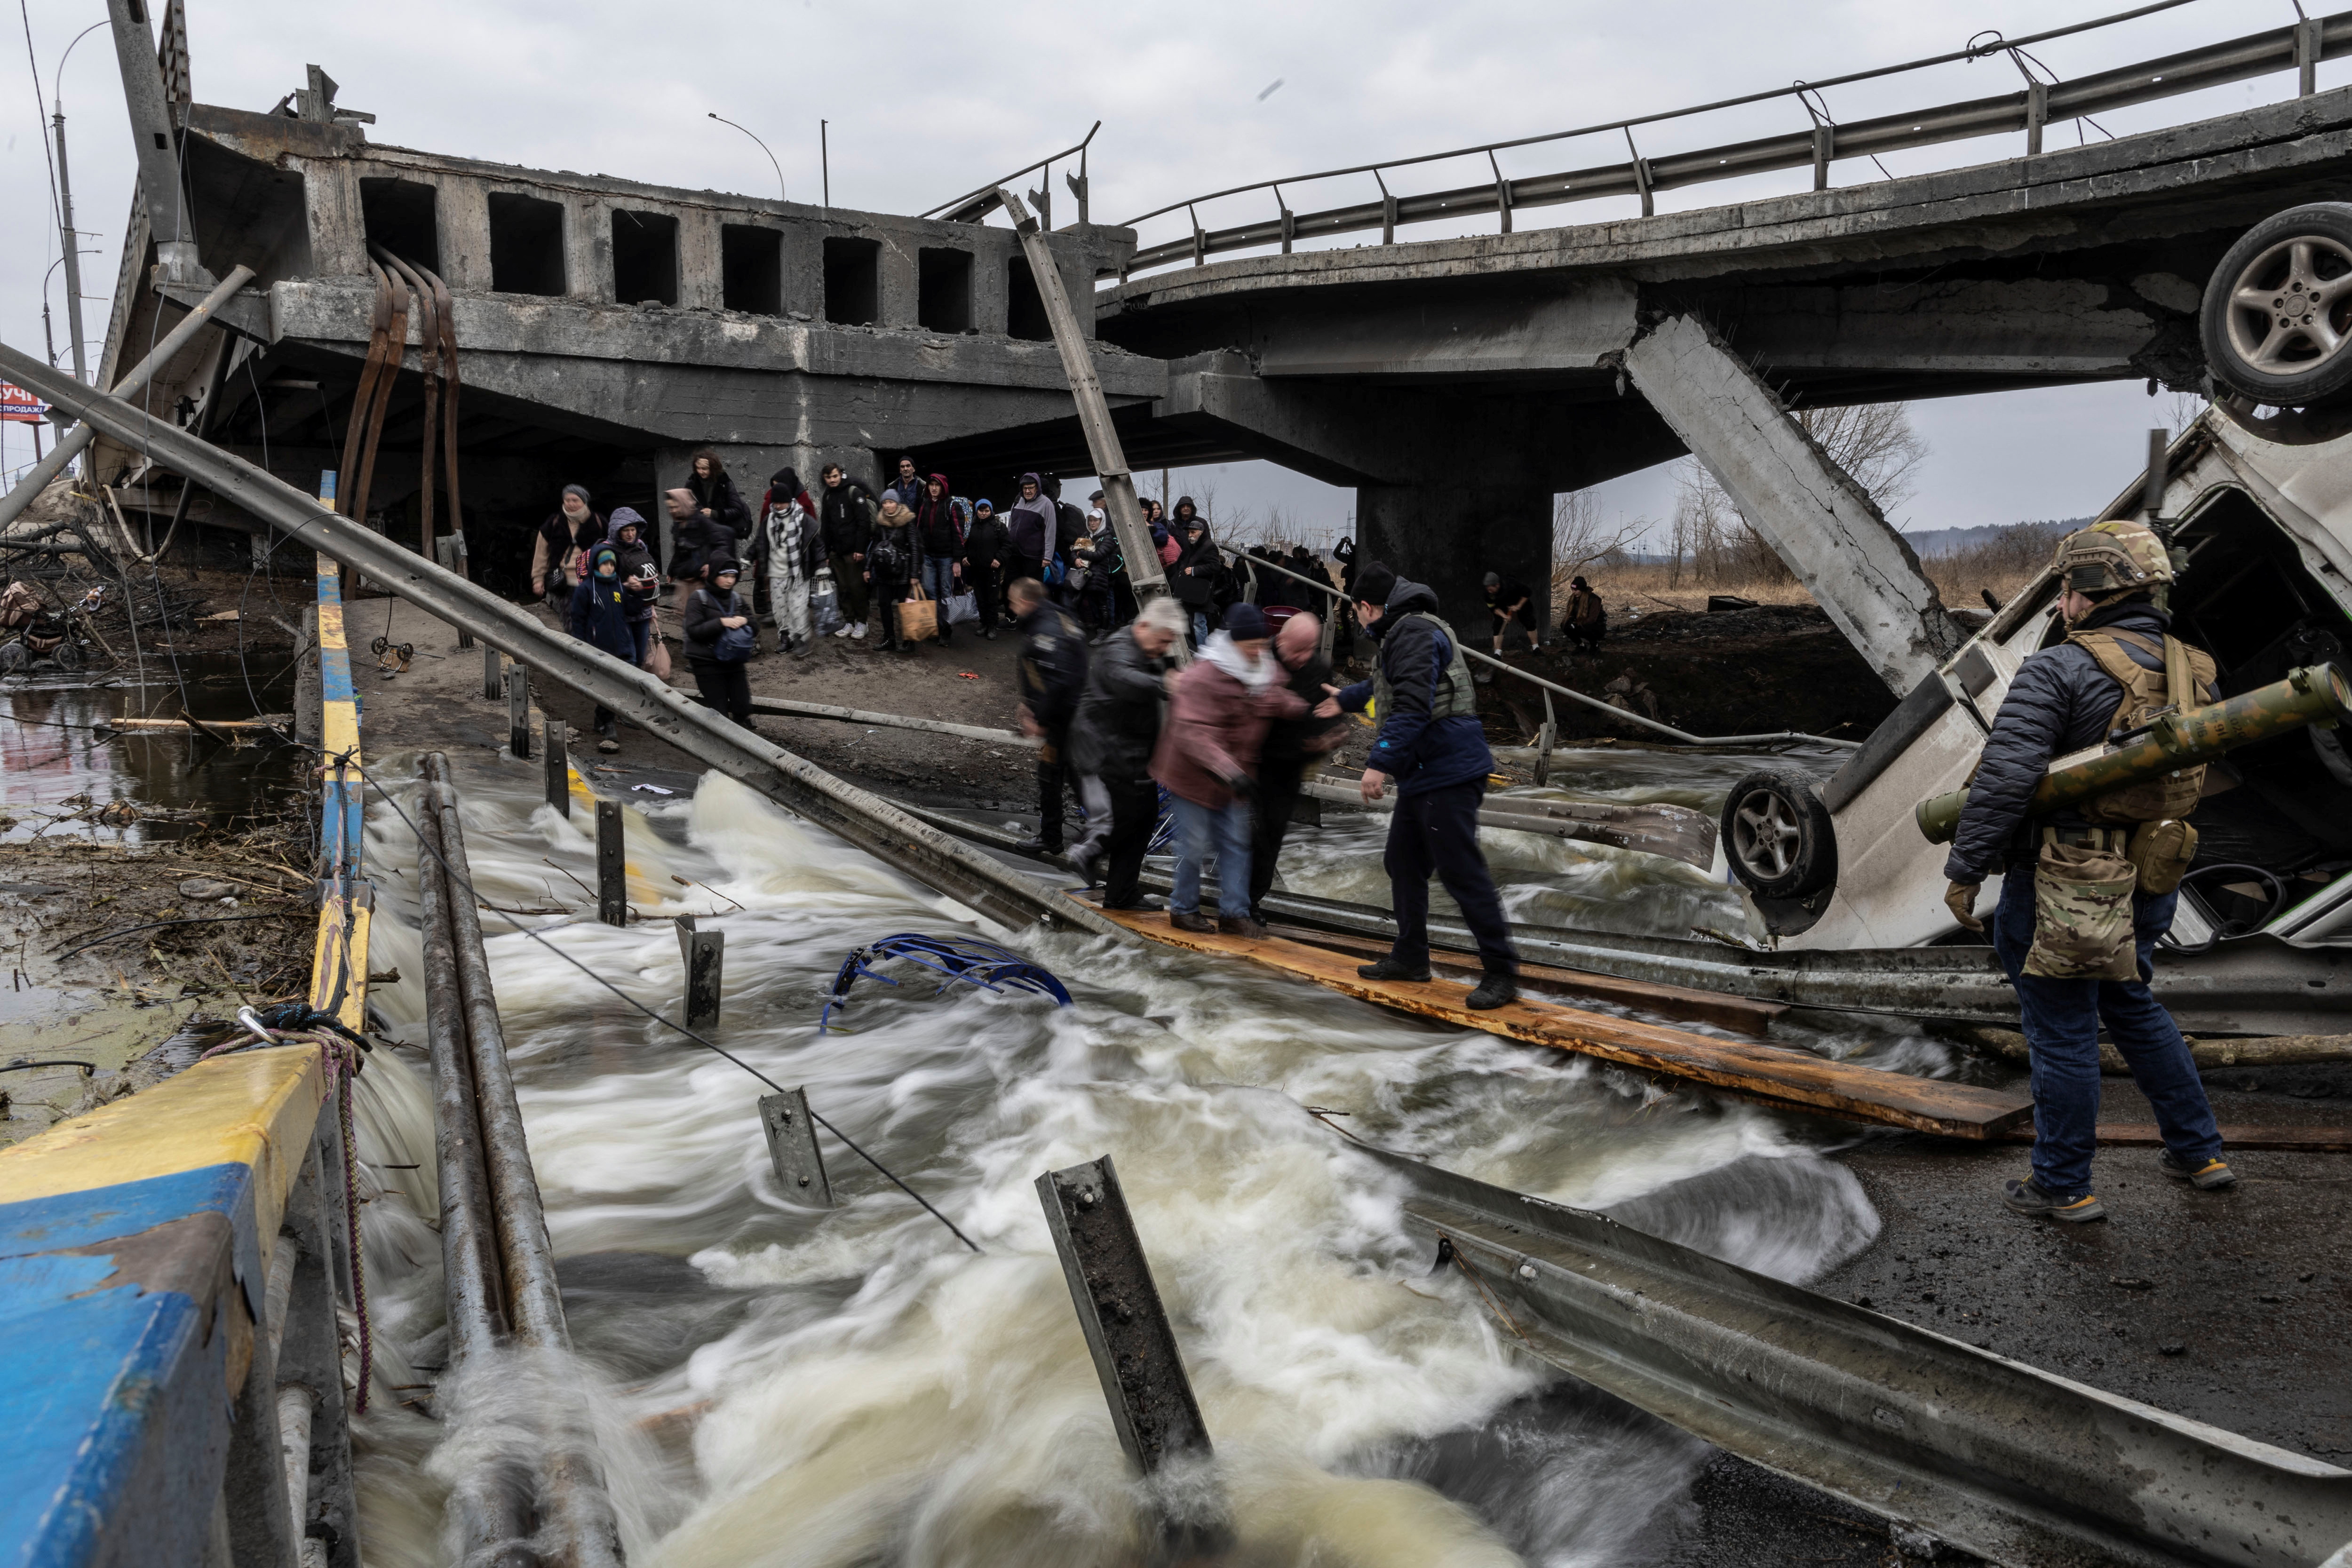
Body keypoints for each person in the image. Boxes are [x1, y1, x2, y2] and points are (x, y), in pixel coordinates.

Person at [1943, 521, 2232, 1223]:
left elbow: (2006, 780)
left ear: (2092, 592)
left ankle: (2062, 1185)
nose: (2062, 601)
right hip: (2151, 871)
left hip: (2064, 879)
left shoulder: (2060, 668)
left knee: (2061, 1027)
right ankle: (2202, 1154)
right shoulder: (2196, 666)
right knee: (2133, 1004)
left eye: (2068, 587)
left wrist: (1966, 867)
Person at [1335, 562, 1519, 1008]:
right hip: (1426, 771)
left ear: (1365, 606)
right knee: (1402, 861)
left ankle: (1501, 971)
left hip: (1449, 770)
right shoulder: (1404, 630)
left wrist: (1377, 763)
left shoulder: (1412, 633)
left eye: (1355, 612)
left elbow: (1414, 706)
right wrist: (1341, 699)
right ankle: (1412, 956)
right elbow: (1389, 685)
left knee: (1461, 871)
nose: (1357, 620)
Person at [1153, 603, 1316, 937]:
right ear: (1235, 643)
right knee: (1194, 844)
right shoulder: (1205, 676)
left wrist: (1304, 709)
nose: (1258, 650)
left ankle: (1234, 913)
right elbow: (1191, 732)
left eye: (1261, 644)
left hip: (1233, 779)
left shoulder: (1262, 670)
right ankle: (1183, 909)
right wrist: (1230, 770)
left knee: (1236, 843)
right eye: (1250, 645)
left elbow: (1272, 699)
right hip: (1193, 777)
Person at [1067, 597, 1185, 907]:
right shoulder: (1117, 648)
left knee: (1145, 817)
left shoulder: (1149, 648)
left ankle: (1121, 893)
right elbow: (1125, 679)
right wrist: (1165, 683)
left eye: (1168, 643)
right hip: (1107, 748)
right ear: (1144, 626)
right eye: (1162, 641)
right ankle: (1087, 848)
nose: (1163, 649)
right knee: (1129, 816)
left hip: (1134, 749)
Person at [1250, 610, 1348, 922]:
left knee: (1271, 837)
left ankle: (1251, 903)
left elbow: (1331, 713)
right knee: (1244, 836)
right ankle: (1233, 902)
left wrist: (1329, 738)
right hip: (1252, 764)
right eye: (1297, 651)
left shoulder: (1317, 669)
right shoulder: (1260, 658)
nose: (1304, 658)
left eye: (1310, 650)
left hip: (1290, 768)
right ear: (1280, 641)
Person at [1009, 577, 1089, 854]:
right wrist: (1029, 703)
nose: (1011, 607)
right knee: (1066, 770)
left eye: (1013, 602)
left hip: (1062, 714)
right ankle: (1097, 828)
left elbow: (1058, 681)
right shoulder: (1056, 617)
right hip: (1070, 710)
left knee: (1051, 774)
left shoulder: (1046, 630)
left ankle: (1053, 836)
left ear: (1026, 602)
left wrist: (1040, 720)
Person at [567, 543, 638, 752]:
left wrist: (637, 593)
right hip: (599, 647)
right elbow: (578, 620)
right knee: (609, 686)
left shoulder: (619, 586)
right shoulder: (585, 589)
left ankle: (602, 717)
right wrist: (580, 646)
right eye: (605, 563)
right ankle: (608, 723)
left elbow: (631, 610)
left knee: (622, 684)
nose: (609, 567)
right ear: (596, 565)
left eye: (612, 564)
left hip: (623, 645)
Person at [682, 558, 756, 725]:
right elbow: (693, 631)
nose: (730, 581)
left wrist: (745, 621)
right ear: (714, 575)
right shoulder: (698, 599)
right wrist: (721, 623)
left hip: (734, 661)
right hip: (706, 663)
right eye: (725, 576)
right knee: (719, 714)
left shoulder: (737, 599)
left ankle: (746, 745)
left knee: (743, 707)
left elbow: (755, 626)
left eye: (733, 576)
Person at [756, 468, 820, 655]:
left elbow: (815, 540)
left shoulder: (802, 515)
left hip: (798, 571)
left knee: (798, 606)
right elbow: (761, 540)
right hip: (777, 571)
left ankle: (800, 638)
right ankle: (786, 638)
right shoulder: (770, 518)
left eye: (782, 502)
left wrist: (821, 565)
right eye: (775, 502)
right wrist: (753, 559)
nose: (778, 506)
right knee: (780, 607)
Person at [818, 462, 875, 639]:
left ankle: (862, 623)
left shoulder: (854, 492)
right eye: (828, 477)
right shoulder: (827, 496)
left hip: (853, 552)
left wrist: (860, 549)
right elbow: (825, 526)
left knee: (856, 587)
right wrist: (826, 553)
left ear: (840, 475)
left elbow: (863, 523)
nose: (832, 480)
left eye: (835, 476)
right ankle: (849, 622)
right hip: (836, 552)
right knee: (843, 589)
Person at [607, 507, 661, 669]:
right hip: (620, 609)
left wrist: (652, 607)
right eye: (626, 531)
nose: (630, 534)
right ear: (617, 531)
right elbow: (602, 582)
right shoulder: (607, 550)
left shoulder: (641, 546)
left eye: (633, 530)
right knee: (627, 655)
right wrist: (626, 585)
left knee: (641, 654)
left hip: (642, 608)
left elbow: (647, 573)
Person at [531, 485, 604, 604]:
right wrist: (538, 579)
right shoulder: (554, 523)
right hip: (562, 584)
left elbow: (612, 549)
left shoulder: (598, 522)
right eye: (567, 500)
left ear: (584, 502)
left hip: (592, 582)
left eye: (575, 500)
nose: (571, 504)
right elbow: (541, 553)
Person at [665, 486, 733, 613]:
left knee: (703, 617)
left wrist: (712, 564)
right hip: (684, 580)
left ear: (684, 504)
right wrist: (671, 571)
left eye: (676, 507)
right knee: (686, 618)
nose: (673, 511)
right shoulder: (678, 525)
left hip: (701, 582)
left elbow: (722, 543)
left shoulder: (702, 522)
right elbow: (679, 551)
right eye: (670, 508)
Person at [866, 490, 919, 653]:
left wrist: (914, 574)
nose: (888, 506)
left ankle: (909, 641)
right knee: (884, 605)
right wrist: (868, 568)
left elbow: (915, 547)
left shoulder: (907, 521)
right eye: (885, 503)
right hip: (884, 572)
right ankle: (889, 638)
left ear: (897, 503)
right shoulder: (881, 522)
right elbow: (875, 546)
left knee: (906, 608)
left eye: (891, 502)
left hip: (903, 573)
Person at [915, 472, 964, 646]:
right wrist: (919, 558)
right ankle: (935, 626)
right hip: (928, 556)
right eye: (931, 485)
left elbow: (958, 535)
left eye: (937, 485)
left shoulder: (952, 506)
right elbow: (919, 532)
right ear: (928, 487)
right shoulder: (925, 505)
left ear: (943, 487)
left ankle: (945, 630)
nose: (934, 488)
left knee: (945, 593)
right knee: (929, 590)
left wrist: (957, 561)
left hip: (946, 558)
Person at [1169, 503, 1220, 647]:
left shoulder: (1209, 546)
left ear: (1201, 532)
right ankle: (1199, 648)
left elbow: (1215, 566)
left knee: (1199, 623)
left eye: (1193, 532)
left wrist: (1194, 571)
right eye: (1189, 533)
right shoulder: (1194, 547)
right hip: (1193, 591)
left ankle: (1202, 652)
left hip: (1201, 590)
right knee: (1194, 621)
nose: (1190, 535)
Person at [963, 498, 1009, 640]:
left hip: (992, 570)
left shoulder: (999, 527)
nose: (984, 514)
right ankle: (983, 623)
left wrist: (999, 559)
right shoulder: (970, 527)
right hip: (976, 569)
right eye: (981, 511)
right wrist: (964, 557)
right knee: (980, 598)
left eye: (986, 511)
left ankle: (992, 626)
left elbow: (1008, 546)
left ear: (991, 511)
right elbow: (964, 544)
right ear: (977, 511)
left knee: (992, 600)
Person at [1007, 472, 1057, 590]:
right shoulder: (1018, 500)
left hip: (1034, 557)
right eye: (1025, 488)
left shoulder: (1046, 504)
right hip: (1014, 554)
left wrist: (1048, 557)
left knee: (1031, 590)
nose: (1028, 491)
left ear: (1037, 488)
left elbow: (1050, 531)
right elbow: (1010, 525)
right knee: (1010, 587)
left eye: (1031, 488)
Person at [1484, 570, 1540, 654]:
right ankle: (1497, 654)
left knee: (1530, 621)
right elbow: (1493, 608)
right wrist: (1504, 616)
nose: (1490, 592)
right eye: (1488, 590)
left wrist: (1518, 606)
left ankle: (1536, 649)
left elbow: (1528, 593)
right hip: (1502, 605)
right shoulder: (1488, 594)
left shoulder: (1511, 583)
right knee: (1498, 626)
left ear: (1497, 585)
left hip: (1519, 600)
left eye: (1491, 590)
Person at [1562, 574, 1606, 654]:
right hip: (1579, 622)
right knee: (1565, 626)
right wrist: (1570, 621)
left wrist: (1578, 624)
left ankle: (1595, 645)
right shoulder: (1574, 598)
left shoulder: (1594, 599)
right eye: (1572, 590)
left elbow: (1592, 619)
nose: (1573, 592)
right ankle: (1581, 645)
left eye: (1576, 590)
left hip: (1595, 626)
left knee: (1586, 627)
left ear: (1582, 590)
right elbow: (1571, 613)